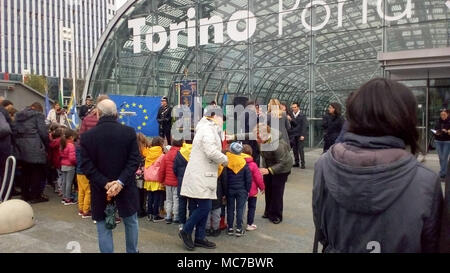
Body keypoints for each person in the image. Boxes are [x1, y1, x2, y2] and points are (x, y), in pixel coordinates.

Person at [313, 78, 443, 253]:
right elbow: (431, 242)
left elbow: (321, 230)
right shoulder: (425, 179)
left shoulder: (324, 164)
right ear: (405, 117)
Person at [80, 99, 141, 253]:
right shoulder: (129, 132)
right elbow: (134, 161)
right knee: (131, 222)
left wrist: (105, 183)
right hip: (126, 186)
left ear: (98, 113)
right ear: (116, 113)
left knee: (103, 225)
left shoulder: (87, 137)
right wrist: (119, 182)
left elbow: (86, 166)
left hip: (101, 189)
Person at [179, 108, 228, 251]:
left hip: (200, 174)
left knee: (200, 207)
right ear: (215, 116)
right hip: (201, 175)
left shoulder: (205, 127)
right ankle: (186, 230)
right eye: (222, 120)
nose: (222, 123)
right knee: (205, 206)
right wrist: (225, 159)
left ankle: (199, 237)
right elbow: (211, 151)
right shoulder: (208, 129)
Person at [12, 102, 49, 203]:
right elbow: (43, 133)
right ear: (38, 109)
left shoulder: (18, 116)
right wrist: (46, 145)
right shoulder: (38, 115)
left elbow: (14, 131)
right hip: (34, 148)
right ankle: (35, 196)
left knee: (25, 172)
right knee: (37, 172)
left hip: (21, 148)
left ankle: (25, 195)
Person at [258, 124, 293, 224]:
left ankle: (277, 215)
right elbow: (247, 135)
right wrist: (233, 136)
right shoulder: (262, 138)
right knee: (268, 189)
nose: (256, 140)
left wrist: (269, 170)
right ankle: (268, 211)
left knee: (277, 192)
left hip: (282, 169)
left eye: (258, 137)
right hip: (269, 166)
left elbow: (283, 162)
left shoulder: (278, 145)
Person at [225, 142, 252, 237]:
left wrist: (225, 190)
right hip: (242, 190)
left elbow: (225, 178)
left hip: (230, 190)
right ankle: (239, 228)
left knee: (230, 209)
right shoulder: (244, 163)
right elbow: (248, 179)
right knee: (240, 209)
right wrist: (247, 190)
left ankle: (230, 228)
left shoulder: (227, 162)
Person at [242, 144, 265, 231]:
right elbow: (258, 178)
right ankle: (250, 224)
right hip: (252, 190)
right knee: (251, 207)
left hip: (242, 190)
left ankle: (239, 223)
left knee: (241, 207)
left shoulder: (239, 163)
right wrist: (262, 187)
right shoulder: (253, 165)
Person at [143, 137, 166, 222]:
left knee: (150, 197)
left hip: (148, 179)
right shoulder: (161, 154)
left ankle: (149, 214)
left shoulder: (148, 152)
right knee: (157, 197)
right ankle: (155, 215)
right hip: (157, 179)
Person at [160, 138, 183, 224]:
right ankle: (176, 217)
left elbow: (162, 169)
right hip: (177, 181)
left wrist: (161, 180)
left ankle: (168, 216)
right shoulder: (181, 154)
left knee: (169, 199)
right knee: (176, 199)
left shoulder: (167, 155)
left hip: (167, 181)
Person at [173, 138, 194, 231]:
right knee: (193, 203)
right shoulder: (195, 152)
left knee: (182, 203)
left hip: (181, 181)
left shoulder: (179, 152)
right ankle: (191, 223)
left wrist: (179, 176)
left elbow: (175, 168)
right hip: (193, 181)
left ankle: (182, 223)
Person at [60, 129, 77, 205]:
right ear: (71, 137)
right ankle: (68, 198)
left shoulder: (63, 144)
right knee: (69, 183)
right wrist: (75, 163)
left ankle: (64, 197)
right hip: (70, 166)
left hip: (63, 165)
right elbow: (72, 158)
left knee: (64, 181)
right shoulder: (71, 145)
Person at [288, 102, 308, 168]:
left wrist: (303, 135)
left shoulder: (302, 115)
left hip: (300, 134)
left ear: (298, 107)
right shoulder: (291, 115)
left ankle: (303, 163)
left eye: (295, 107)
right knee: (294, 149)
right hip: (293, 134)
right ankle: (296, 162)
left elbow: (304, 126)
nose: (294, 109)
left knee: (300, 149)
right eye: (292, 107)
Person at [434, 109, 450, 180]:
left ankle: (443, 174)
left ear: (447, 114)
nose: (442, 116)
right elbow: (435, 129)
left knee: (444, 157)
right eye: (441, 115)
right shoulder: (438, 121)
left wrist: (447, 131)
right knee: (441, 157)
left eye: (444, 114)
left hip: (447, 141)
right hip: (438, 141)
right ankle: (444, 172)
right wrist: (436, 132)